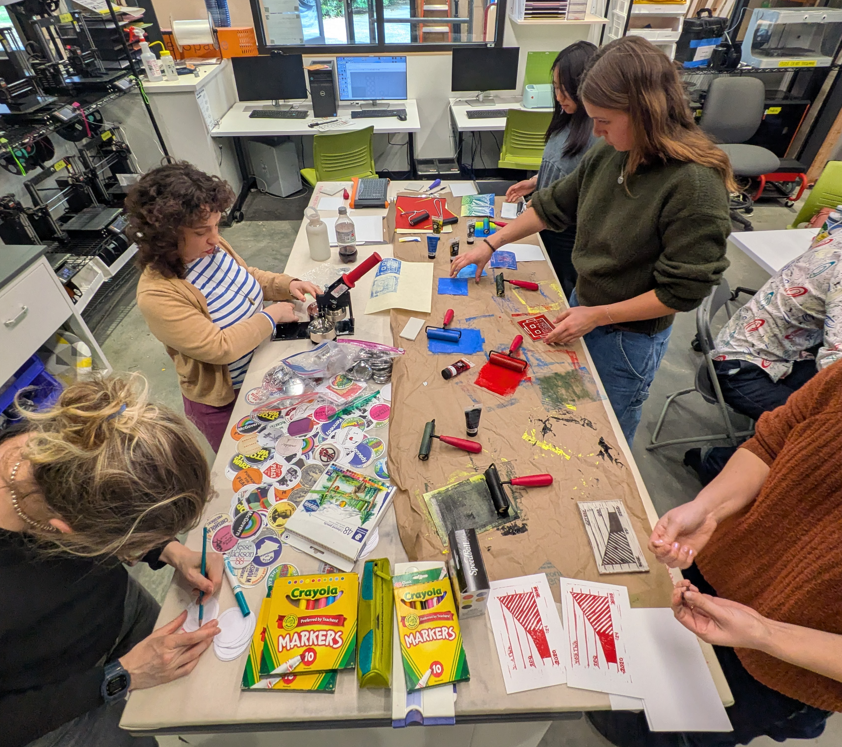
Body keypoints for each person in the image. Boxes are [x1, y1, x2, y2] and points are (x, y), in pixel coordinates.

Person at [452, 37, 733, 446]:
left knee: (605, 436)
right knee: (567, 416)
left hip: (628, 337)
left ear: (646, 111)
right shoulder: (612, 152)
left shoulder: (694, 184)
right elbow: (553, 205)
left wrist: (599, 315)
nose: (595, 131)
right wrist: (490, 244)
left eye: (603, 120)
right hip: (586, 308)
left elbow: (682, 292)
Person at [588, 360, 842, 747]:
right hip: (717, 568)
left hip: (787, 662)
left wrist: (766, 634)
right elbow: (772, 442)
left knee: (677, 733)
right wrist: (707, 509)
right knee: (633, 672)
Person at [0, 375, 223, 747]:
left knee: (193, 689)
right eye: (133, 545)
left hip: (117, 608)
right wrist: (119, 677)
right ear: (65, 530)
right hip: (46, 700)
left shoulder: (74, 438)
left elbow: (106, 494)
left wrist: (170, 550)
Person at [127, 162, 320, 452]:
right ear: (164, 235)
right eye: (201, 232)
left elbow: (245, 276)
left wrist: (285, 284)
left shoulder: (209, 248)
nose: (215, 238)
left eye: (216, 225)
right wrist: (271, 316)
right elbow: (219, 347)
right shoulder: (158, 294)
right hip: (226, 401)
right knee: (249, 457)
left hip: (261, 371)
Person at [686, 233, 842, 483]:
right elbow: (834, 365)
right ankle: (716, 462)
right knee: (819, 435)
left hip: (779, 355)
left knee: (822, 418)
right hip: (740, 368)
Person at [504, 41, 599, 298]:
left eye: (565, 90)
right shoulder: (566, 119)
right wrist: (537, 181)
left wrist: (493, 244)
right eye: (556, 87)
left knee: (558, 294)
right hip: (546, 228)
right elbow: (567, 169)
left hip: (567, 237)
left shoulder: (598, 135)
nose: (559, 97)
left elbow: (580, 182)